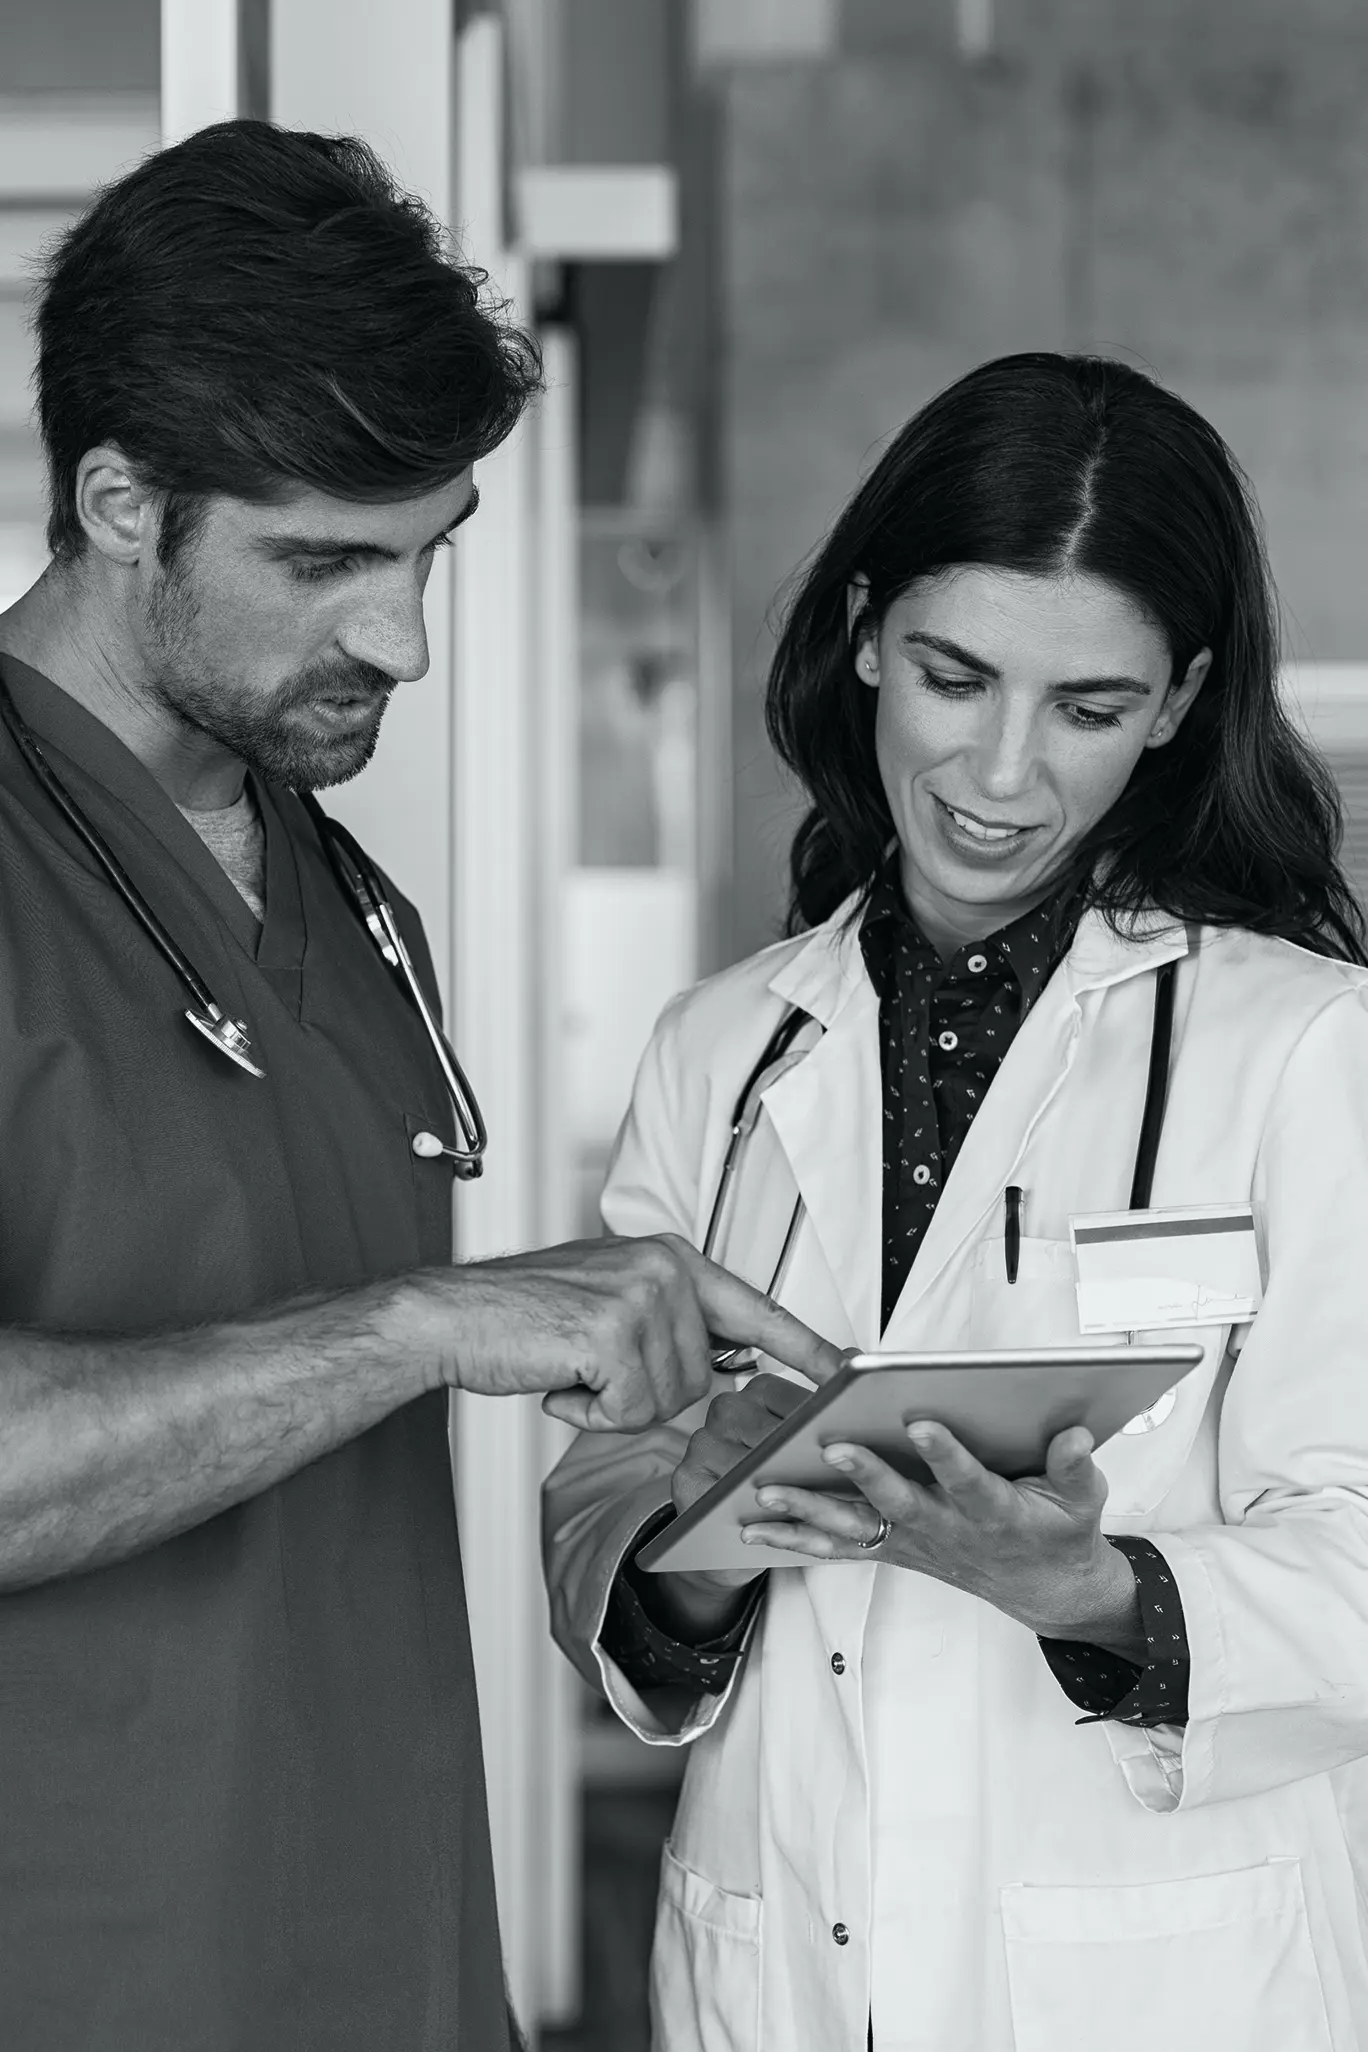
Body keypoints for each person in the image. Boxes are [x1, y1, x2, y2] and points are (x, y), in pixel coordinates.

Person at [0, 120, 839, 2052]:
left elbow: (279, 1309)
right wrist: (412, 1323)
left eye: (427, 549)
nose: (404, 638)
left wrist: (599, 1350)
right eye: (325, 562)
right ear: (121, 502)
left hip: (386, 1948)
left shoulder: (343, 900)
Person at [543, 352, 1368, 2052]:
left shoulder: (1303, 1050)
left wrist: (1091, 1589)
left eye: (1087, 707)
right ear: (861, 634)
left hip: (1160, 1981)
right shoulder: (723, 1050)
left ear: (1176, 703)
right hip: (787, 1965)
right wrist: (694, 1547)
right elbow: (595, 1511)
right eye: (952, 675)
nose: (1002, 772)